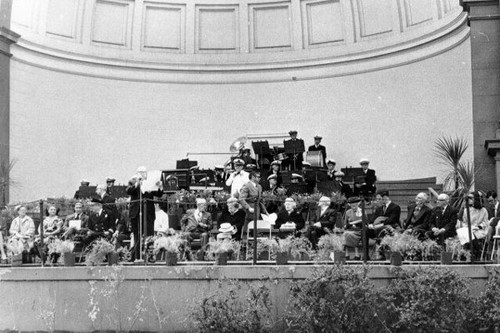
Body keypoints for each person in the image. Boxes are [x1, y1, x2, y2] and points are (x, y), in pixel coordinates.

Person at [126, 166, 164, 261]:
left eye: (144, 172)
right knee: (137, 235)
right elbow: (128, 191)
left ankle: (150, 256)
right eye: (141, 172)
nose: (143, 174)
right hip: (136, 213)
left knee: (149, 235)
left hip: (148, 213)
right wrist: (137, 183)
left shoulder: (150, 181)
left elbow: (158, 194)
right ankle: (136, 256)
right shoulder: (133, 181)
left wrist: (160, 186)